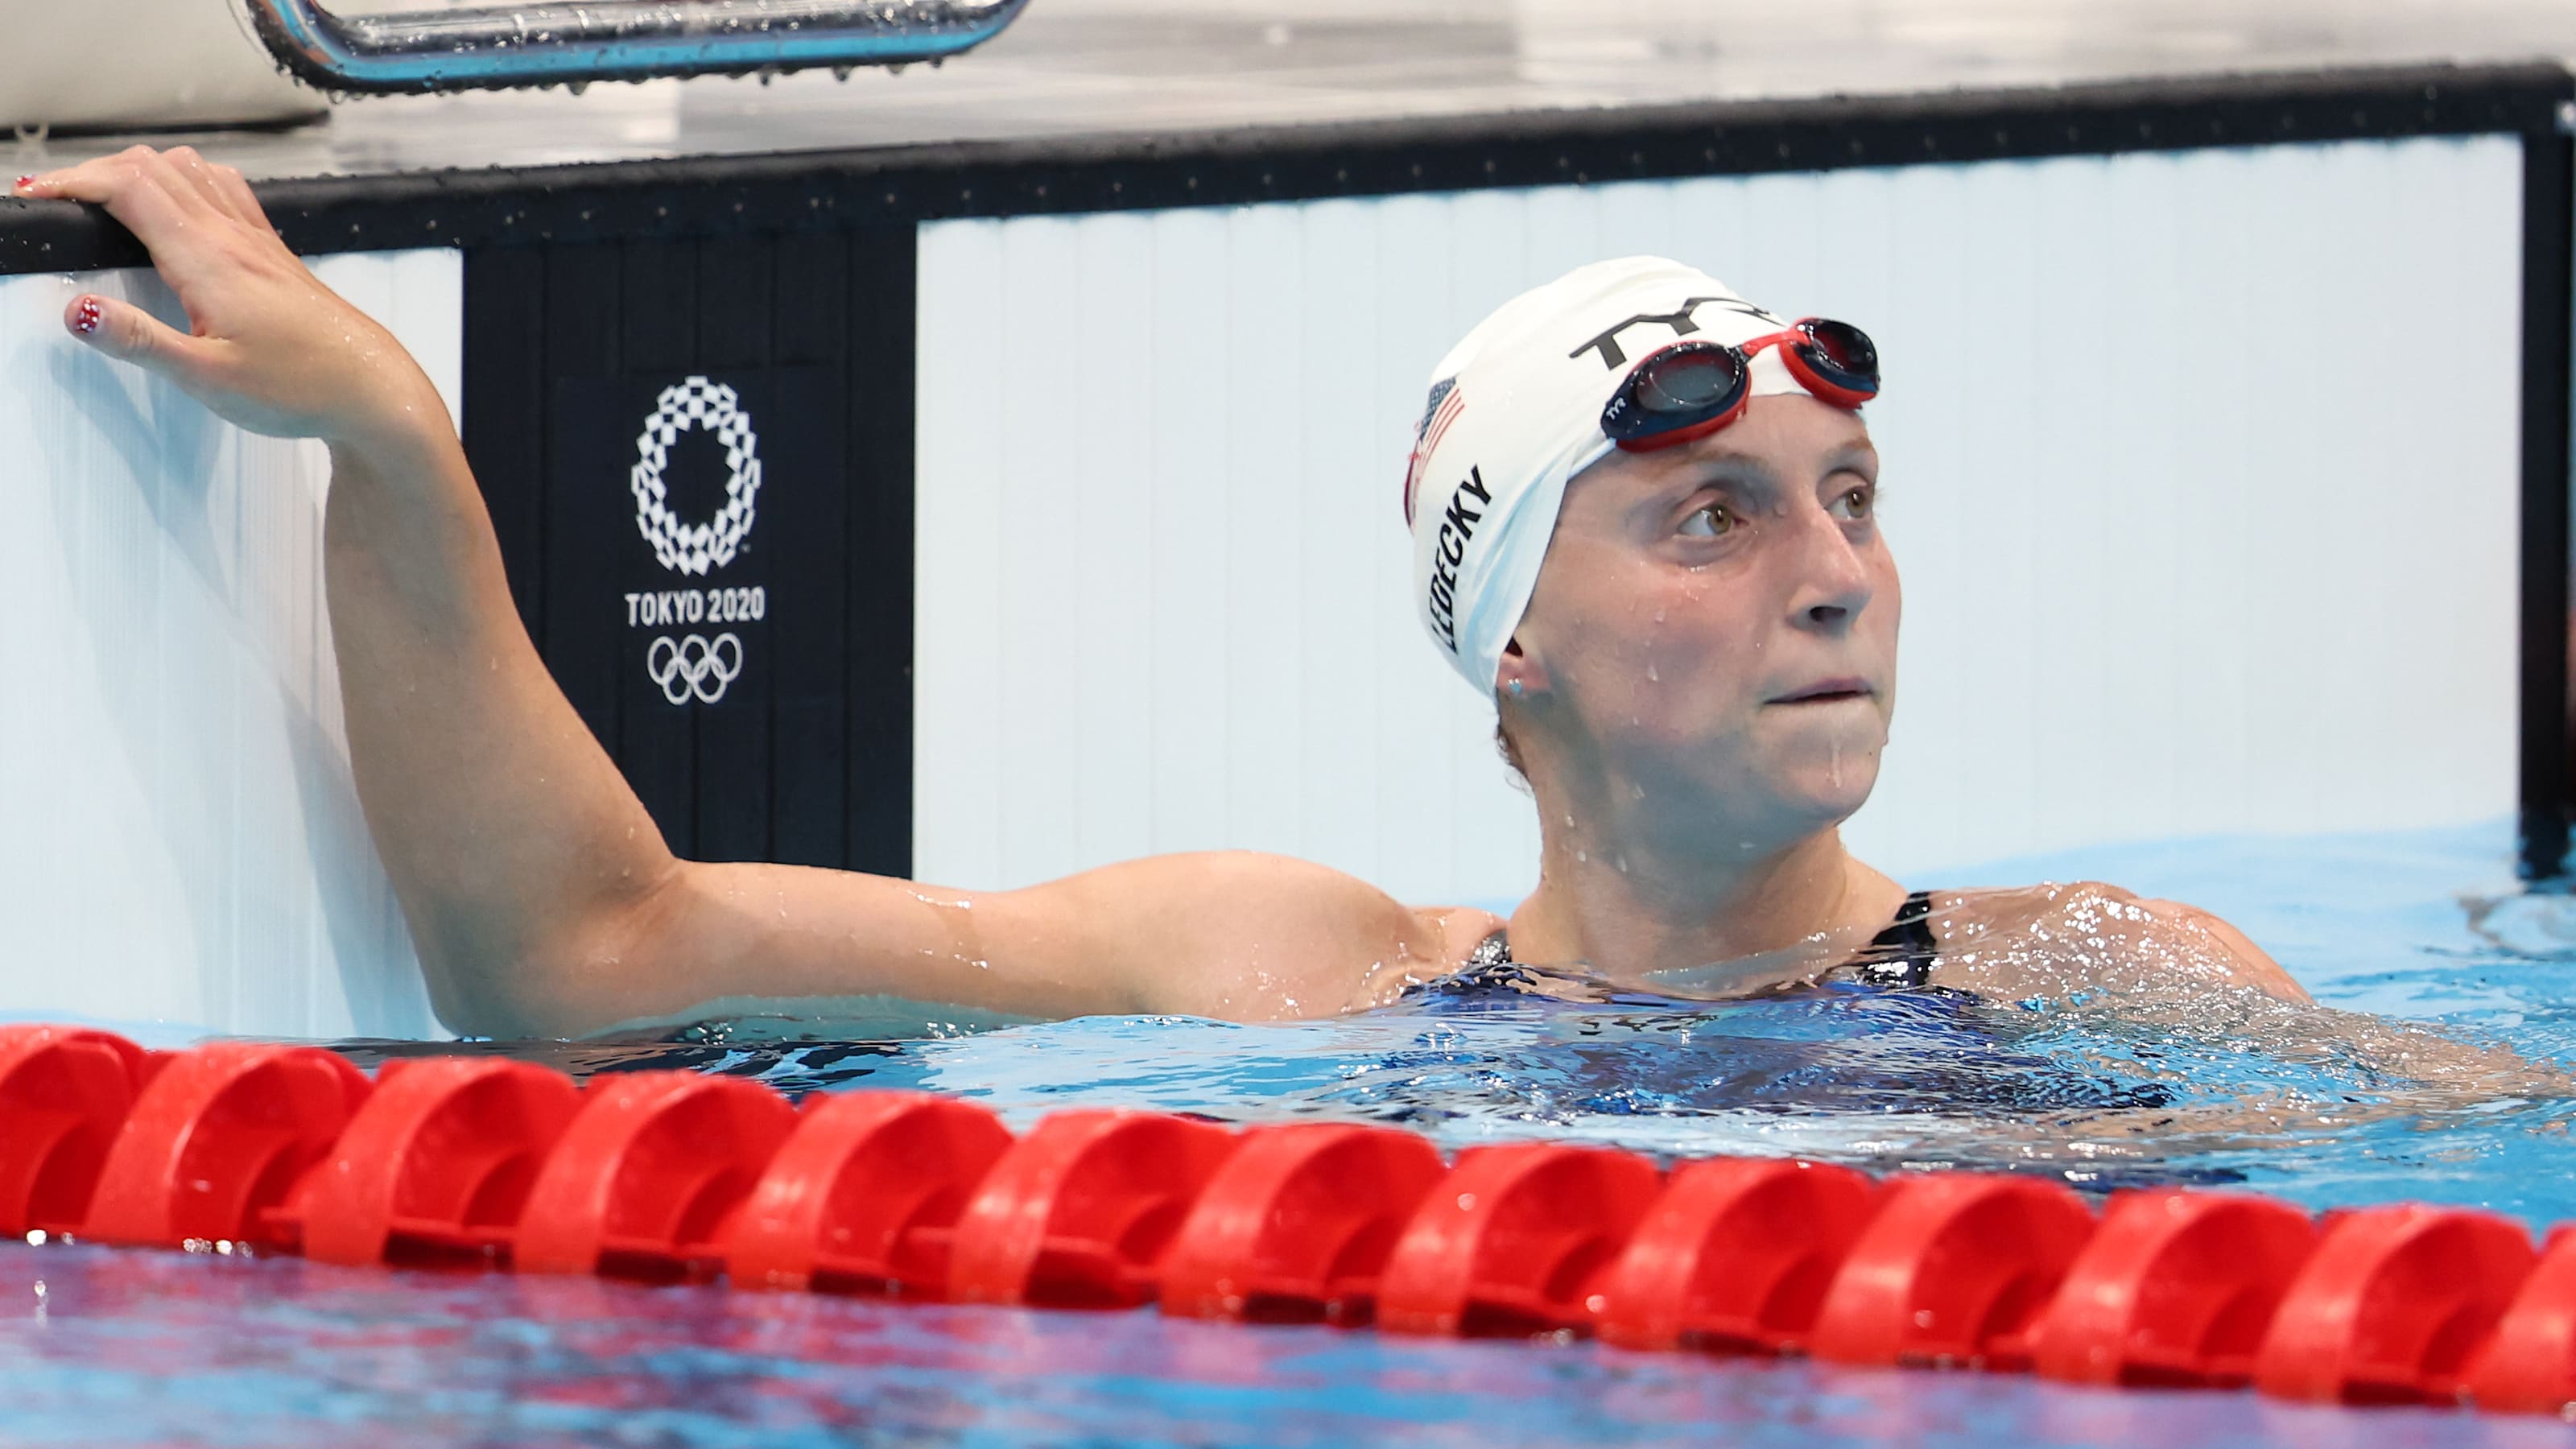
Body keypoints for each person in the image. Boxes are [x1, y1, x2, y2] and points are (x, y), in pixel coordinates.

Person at [14, 147, 2307, 1040]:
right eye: (1715, 518)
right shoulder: (1285, 971)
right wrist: (394, 452)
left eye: (1852, 500)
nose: (1836, 578)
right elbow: (577, 961)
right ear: (1510, 634)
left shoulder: (2112, 982)